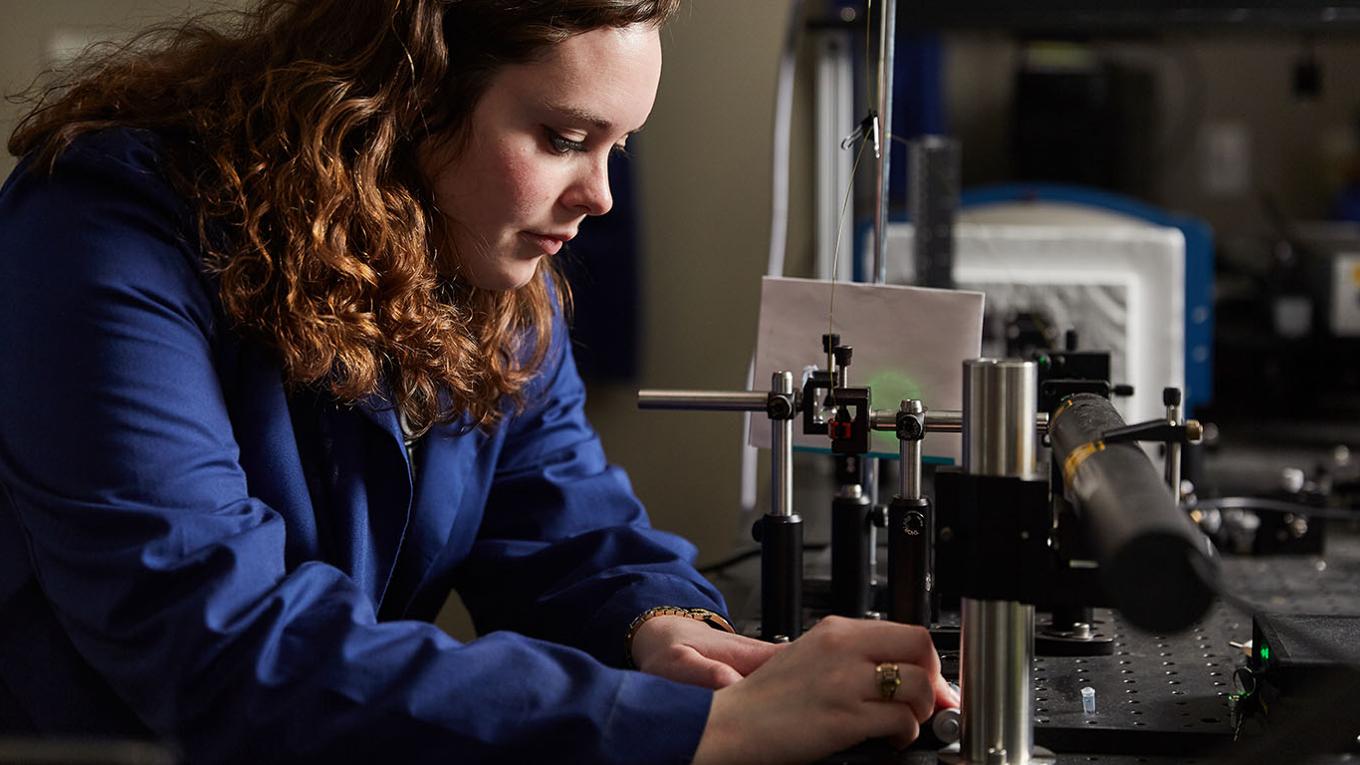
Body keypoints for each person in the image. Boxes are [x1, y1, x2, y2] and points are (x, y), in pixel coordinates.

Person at [0, 1, 956, 762]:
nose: (600, 197)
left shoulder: (483, 266)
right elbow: (220, 643)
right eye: (561, 137)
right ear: (405, 94)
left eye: (616, 147)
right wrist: (709, 731)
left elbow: (569, 531)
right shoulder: (104, 232)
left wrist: (670, 636)